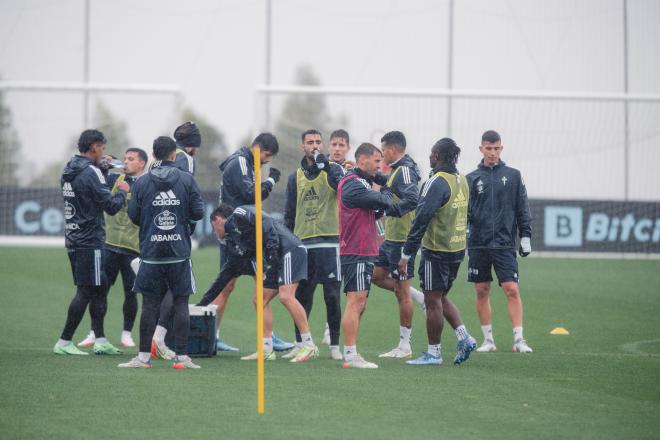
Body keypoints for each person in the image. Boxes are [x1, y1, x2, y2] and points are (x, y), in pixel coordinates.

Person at [119, 136, 205, 369]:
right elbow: (198, 212)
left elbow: (134, 216)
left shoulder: (143, 182)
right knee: (180, 303)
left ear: (154, 155)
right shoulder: (186, 180)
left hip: (151, 251)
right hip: (178, 251)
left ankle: (143, 358)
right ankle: (182, 358)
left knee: (149, 304)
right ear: (174, 155)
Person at [198, 204, 319, 363]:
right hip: (276, 258)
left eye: (214, 227)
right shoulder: (234, 242)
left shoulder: (239, 213)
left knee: (286, 296)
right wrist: (201, 305)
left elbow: (267, 221)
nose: (214, 232)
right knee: (260, 299)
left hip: (290, 250)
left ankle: (309, 345)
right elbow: (223, 278)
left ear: (218, 220)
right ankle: (267, 349)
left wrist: (272, 252)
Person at [398, 137, 477, 366]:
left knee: (432, 301)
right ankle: (465, 338)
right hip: (457, 248)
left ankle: (434, 353)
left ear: (437, 156)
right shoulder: (461, 180)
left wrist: (406, 253)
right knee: (440, 297)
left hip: (437, 250)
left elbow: (421, 218)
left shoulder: (437, 182)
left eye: (432, 153)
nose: (430, 157)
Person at [212, 133, 294, 352]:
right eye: (266, 155)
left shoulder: (245, 162)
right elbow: (251, 194)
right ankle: (266, 338)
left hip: (241, 232)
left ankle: (213, 335)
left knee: (232, 284)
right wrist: (270, 181)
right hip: (240, 235)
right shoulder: (240, 162)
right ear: (258, 147)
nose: (267, 160)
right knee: (255, 283)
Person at [53, 129, 129, 356]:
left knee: (101, 285)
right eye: (103, 148)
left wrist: (102, 171)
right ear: (95, 147)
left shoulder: (69, 169)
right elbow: (111, 207)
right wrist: (123, 192)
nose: (104, 153)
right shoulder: (90, 172)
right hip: (90, 240)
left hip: (74, 237)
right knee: (86, 291)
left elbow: (88, 195)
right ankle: (64, 341)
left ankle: (101, 339)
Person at [466, 130, 533, 353]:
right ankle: (488, 340)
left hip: (504, 243)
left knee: (511, 288)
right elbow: (465, 213)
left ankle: (519, 340)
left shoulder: (513, 175)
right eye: (488, 148)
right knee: (482, 290)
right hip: (478, 243)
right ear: (481, 149)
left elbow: (522, 207)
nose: (492, 152)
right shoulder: (471, 178)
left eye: (496, 148)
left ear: (501, 149)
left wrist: (525, 236)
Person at [283, 129, 346, 361]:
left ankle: (336, 346)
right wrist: (287, 244)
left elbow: (343, 185)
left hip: (329, 243)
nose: (315, 146)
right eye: (310, 142)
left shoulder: (332, 171)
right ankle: (300, 343)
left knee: (332, 296)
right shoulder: (295, 177)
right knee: (302, 297)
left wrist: (327, 165)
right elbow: (289, 213)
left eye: (319, 142)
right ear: (303, 147)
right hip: (303, 245)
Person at [77, 147, 148, 349]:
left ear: (141, 163)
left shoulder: (146, 184)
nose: (126, 162)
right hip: (108, 245)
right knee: (99, 291)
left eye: (131, 159)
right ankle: (94, 332)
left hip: (133, 248)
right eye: (125, 158)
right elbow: (96, 177)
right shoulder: (113, 180)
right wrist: (106, 165)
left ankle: (126, 334)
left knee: (131, 293)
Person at [338, 143, 396, 369]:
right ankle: (351, 355)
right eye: (376, 160)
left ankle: (351, 353)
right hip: (356, 250)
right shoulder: (353, 184)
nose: (379, 165)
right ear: (362, 160)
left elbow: (376, 209)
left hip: (363, 250)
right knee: (355, 301)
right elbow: (384, 200)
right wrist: (389, 187)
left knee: (360, 303)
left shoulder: (360, 181)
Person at [371, 131, 426, 359]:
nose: (382, 154)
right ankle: (417, 295)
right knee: (375, 275)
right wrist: (375, 176)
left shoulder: (403, 170)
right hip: (391, 239)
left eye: (383, 150)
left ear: (392, 149)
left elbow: (412, 199)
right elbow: (394, 188)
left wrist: (387, 209)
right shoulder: (400, 169)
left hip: (402, 240)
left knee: (401, 293)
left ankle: (404, 346)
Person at [150, 121, 202, 360]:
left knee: (155, 290)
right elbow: (187, 194)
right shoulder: (185, 160)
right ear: (193, 145)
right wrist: (188, 224)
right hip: (174, 232)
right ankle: (159, 339)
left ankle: (150, 342)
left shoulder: (155, 163)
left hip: (152, 232)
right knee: (178, 289)